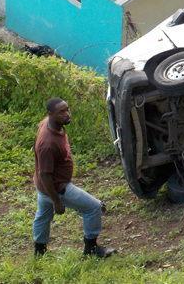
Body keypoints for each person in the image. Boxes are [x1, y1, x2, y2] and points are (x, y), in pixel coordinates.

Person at [32, 98, 116, 258]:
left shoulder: (50, 124)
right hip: (57, 188)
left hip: (44, 186)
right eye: (61, 112)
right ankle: (91, 249)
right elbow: (45, 174)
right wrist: (56, 201)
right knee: (93, 207)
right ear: (51, 114)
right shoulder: (47, 143)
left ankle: (39, 252)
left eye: (67, 110)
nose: (67, 114)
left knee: (43, 214)